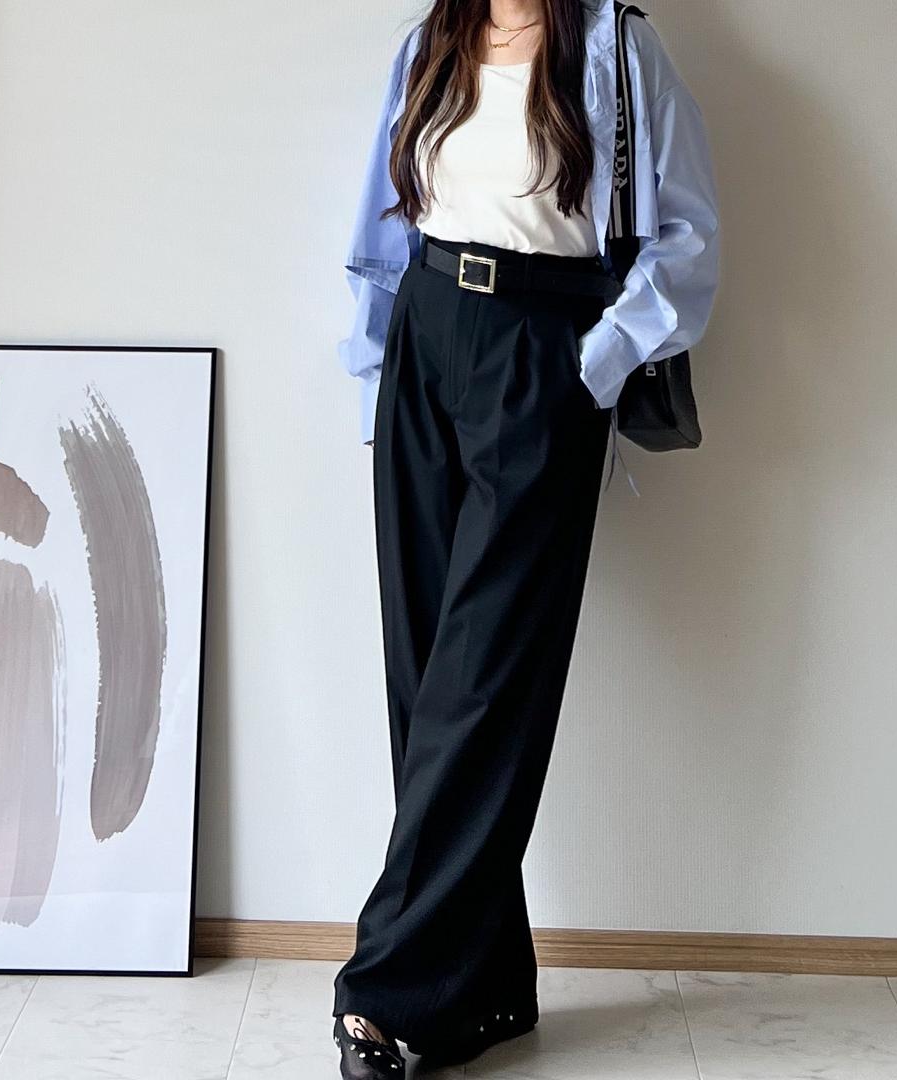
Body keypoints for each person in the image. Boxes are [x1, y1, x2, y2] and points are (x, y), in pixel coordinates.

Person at [331, 0, 719, 1074]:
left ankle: (385, 992)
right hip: (422, 346)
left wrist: (589, 371)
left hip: (540, 355)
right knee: (426, 678)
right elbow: (380, 227)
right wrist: (377, 378)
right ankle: (488, 985)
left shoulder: (618, 48)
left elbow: (688, 237)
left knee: (485, 679)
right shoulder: (429, 43)